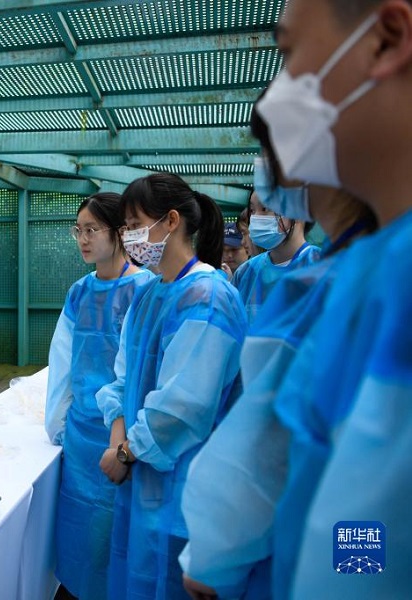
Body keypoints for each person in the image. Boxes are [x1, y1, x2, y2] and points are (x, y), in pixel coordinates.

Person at [178, 96, 377, 600]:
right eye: (253, 209)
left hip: (340, 510)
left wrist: (215, 553)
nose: (257, 214)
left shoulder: (335, 280)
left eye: (267, 204)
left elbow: (367, 474)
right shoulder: (265, 277)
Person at [251, 1, 412, 597]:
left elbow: (369, 525)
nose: (275, 98)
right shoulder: (380, 266)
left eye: (289, 54)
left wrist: (350, 582)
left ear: (386, 38)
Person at [95, 173, 247, 599]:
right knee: (139, 577)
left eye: (133, 223)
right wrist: (118, 434)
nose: (128, 236)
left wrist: (126, 452)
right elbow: (122, 380)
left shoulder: (208, 296)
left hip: (186, 487)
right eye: (124, 226)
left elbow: (184, 405)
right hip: (140, 482)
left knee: (172, 581)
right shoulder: (149, 295)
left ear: (172, 221)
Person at [45, 193, 154, 600]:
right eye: (78, 230)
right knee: (76, 532)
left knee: (116, 535)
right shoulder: (79, 292)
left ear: (120, 233)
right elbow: (62, 363)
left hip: (123, 438)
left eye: (92, 229)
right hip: (80, 435)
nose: (82, 239)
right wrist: (56, 424)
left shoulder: (145, 289)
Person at [231, 189, 320, 324]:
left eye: (265, 208)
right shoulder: (245, 273)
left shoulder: (322, 266)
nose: (256, 218)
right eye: (253, 211)